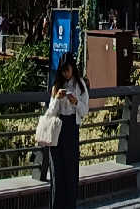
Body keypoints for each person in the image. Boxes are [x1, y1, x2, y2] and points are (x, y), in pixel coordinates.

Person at [48, 53, 89, 209]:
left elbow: (85, 111)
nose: (66, 73)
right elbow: (50, 112)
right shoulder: (57, 85)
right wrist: (57, 98)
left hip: (72, 127)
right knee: (57, 172)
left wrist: (76, 102)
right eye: (63, 70)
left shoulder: (80, 86)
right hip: (58, 129)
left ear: (73, 68)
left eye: (68, 70)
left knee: (71, 171)